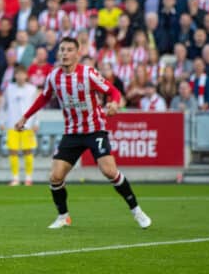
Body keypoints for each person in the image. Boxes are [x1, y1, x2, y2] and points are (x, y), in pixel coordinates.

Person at [15, 37, 151, 229]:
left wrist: (114, 103)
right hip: (72, 132)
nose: (64, 53)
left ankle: (136, 211)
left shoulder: (88, 74)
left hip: (94, 129)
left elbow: (113, 91)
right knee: (55, 177)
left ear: (77, 54)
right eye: (62, 49)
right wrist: (25, 117)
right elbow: (43, 98)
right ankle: (63, 216)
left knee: (109, 171)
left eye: (69, 49)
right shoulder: (54, 77)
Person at [0, 65, 39, 186]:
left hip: (28, 125)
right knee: (13, 151)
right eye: (18, 74)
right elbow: (3, 106)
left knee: (28, 151)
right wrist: (1, 121)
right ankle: (15, 177)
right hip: (12, 124)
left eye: (22, 74)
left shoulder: (32, 89)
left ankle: (28, 177)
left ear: (26, 76)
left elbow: (36, 107)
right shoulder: (9, 89)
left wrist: (36, 122)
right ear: (15, 76)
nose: (20, 77)